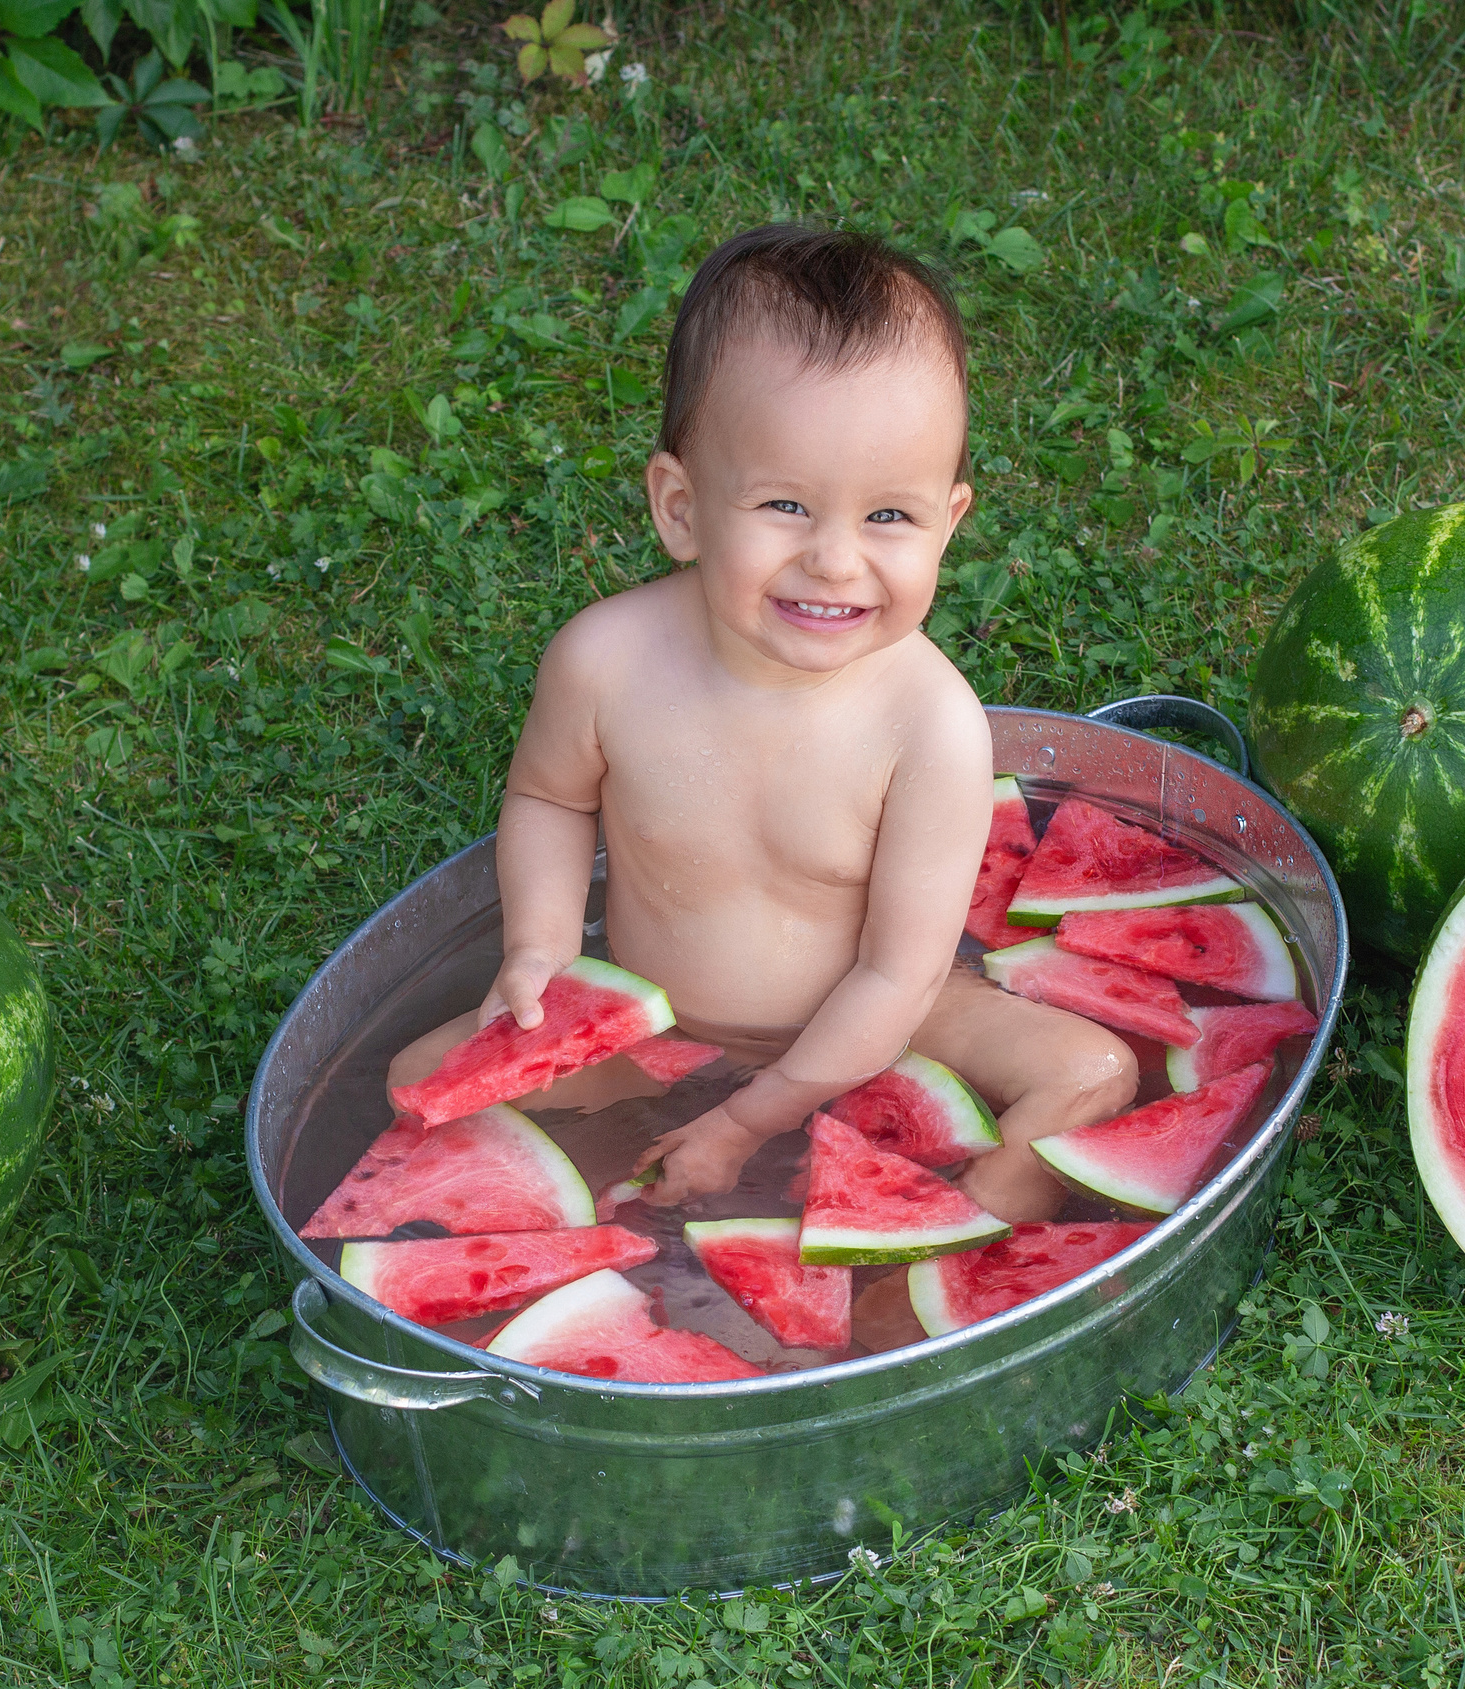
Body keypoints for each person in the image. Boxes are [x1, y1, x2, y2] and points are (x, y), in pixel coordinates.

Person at [385, 225, 1136, 1222]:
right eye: (785, 504)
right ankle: (604, 1194)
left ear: (950, 522)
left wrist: (755, 1117)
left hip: (891, 1023)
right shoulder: (606, 662)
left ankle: (976, 1218)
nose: (834, 560)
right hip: (651, 1021)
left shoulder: (931, 726)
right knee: (416, 1081)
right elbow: (547, 799)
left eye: (889, 518)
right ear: (682, 507)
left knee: (1092, 1070)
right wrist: (540, 947)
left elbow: (898, 971)